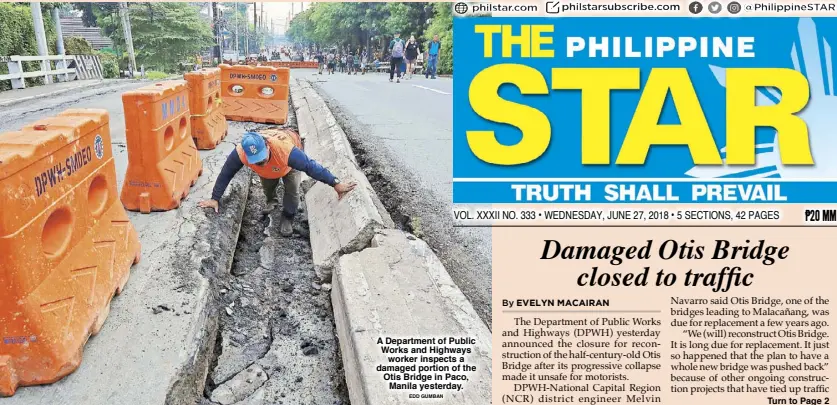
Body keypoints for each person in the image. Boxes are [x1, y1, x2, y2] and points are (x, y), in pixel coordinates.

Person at [198, 131, 357, 236]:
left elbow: (311, 167)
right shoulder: (240, 153)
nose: (260, 163)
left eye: (262, 158)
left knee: (292, 191)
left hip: (287, 165)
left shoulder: (286, 152)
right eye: (256, 161)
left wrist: (336, 183)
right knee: (268, 184)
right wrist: (215, 198)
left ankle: (288, 217)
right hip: (272, 169)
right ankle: (271, 202)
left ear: (267, 146)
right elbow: (226, 173)